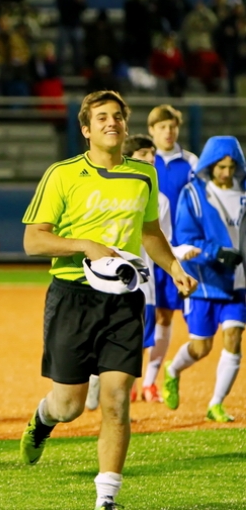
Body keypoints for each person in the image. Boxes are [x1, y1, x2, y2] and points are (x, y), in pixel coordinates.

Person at [19, 90, 196, 510]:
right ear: (85, 129)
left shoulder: (143, 175)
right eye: (101, 118)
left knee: (116, 399)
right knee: (69, 406)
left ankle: (106, 499)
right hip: (72, 295)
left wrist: (174, 268)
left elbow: (150, 231)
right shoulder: (61, 174)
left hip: (125, 297)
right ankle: (42, 422)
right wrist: (86, 245)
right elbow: (32, 240)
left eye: (117, 116)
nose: (111, 123)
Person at [84, 134, 200, 410]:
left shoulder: (158, 200)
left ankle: (120, 400)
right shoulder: (104, 189)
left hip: (140, 282)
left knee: (132, 343)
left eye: (151, 154)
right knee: (99, 334)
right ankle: (93, 375)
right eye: (142, 154)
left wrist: (178, 259)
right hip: (102, 277)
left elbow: (162, 241)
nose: (150, 158)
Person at [164, 136, 245, 423]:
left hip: (239, 282)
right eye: (220, 166)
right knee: (202, 347)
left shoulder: (244, 192)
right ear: (210, 165)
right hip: (206, 282)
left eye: (230, 166)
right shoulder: (194, 194)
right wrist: (218, 253)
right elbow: (185, 239)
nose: (225, 172)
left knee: (234, 338)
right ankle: (173, 369)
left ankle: (216, 404)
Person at [145, 104, 198, 403]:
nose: (168, 131)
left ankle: (151, 381)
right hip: (144, 251)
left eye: (172, 126)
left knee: (166, 316)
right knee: (143, 316)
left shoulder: (191, 162)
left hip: (177, 252)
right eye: (162, 126)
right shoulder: (141, 163)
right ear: (151, 130)